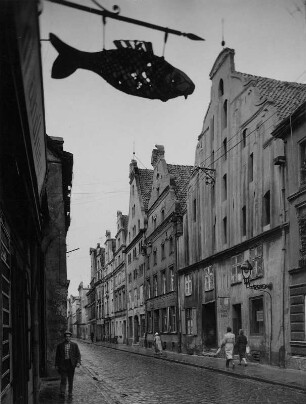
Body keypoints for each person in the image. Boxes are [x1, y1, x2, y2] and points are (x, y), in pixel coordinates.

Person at [55, 330, 81, 399]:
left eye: (69, 337)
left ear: (70, 337)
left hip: (71, 364)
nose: (68, 338)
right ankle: (62, 392)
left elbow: (78, 354)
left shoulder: (74, 345)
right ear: (64, 337)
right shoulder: (60, 346)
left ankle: (70, 392)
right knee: (63, 378)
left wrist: (78, 362)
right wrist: (57, 365)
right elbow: (57, 356)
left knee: (70, 379)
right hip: (63, 364)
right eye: (66, 337)